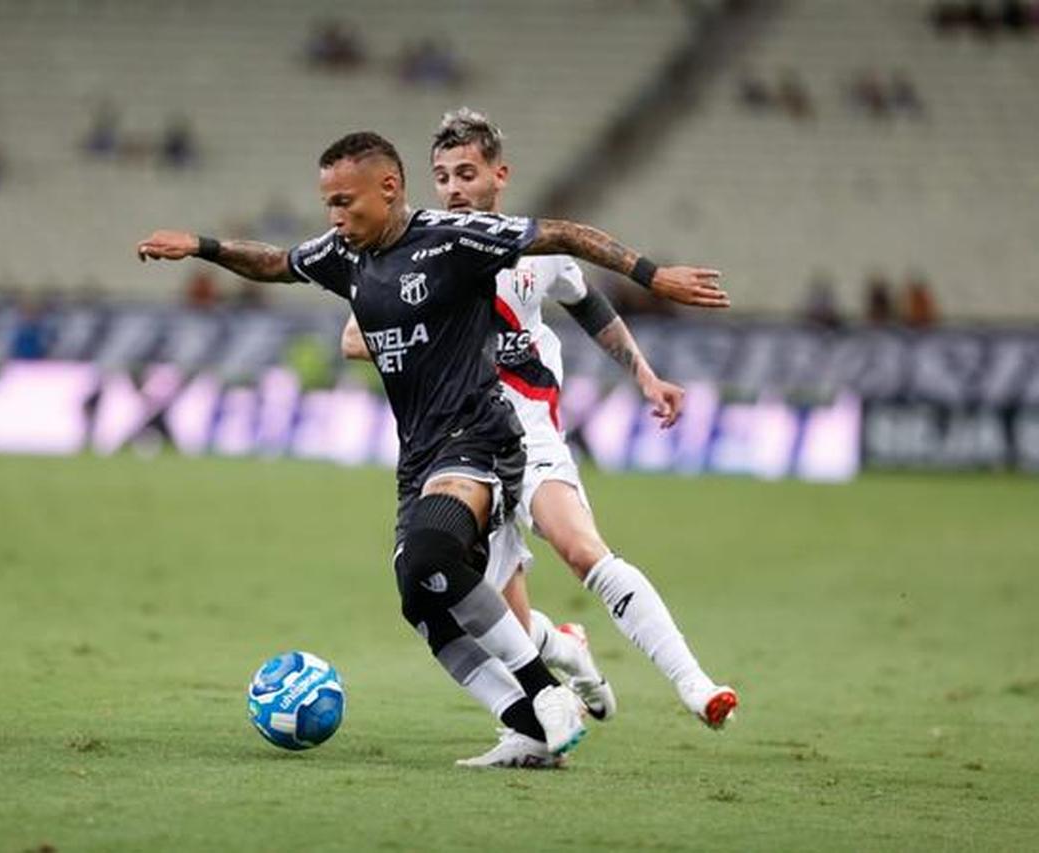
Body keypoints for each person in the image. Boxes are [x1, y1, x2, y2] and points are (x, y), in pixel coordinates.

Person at [135, 131, 729, 764]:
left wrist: (653, 277)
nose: (334, 216)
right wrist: (202, 247)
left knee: (464, 550)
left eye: (344, 202)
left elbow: (566, 236)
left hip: (482, 434)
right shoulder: (344, 254)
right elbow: (276, 263)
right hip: (421, 452)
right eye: (328, 203)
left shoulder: (455, 239)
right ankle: (530, 720)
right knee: (423, 596)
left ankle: (569, 691)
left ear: (389, 188)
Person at [340, 110, 737, 767]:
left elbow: (587, 302)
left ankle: (695, 684)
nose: (454, 188)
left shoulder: (535, 250)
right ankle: (559, 661)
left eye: (467, 173)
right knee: (494, 620)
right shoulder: (420, 250)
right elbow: (355, 337)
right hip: (458, 445)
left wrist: (644, 374)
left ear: (500, 175)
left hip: (529, 433)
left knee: (581, 548)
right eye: (442, 177)